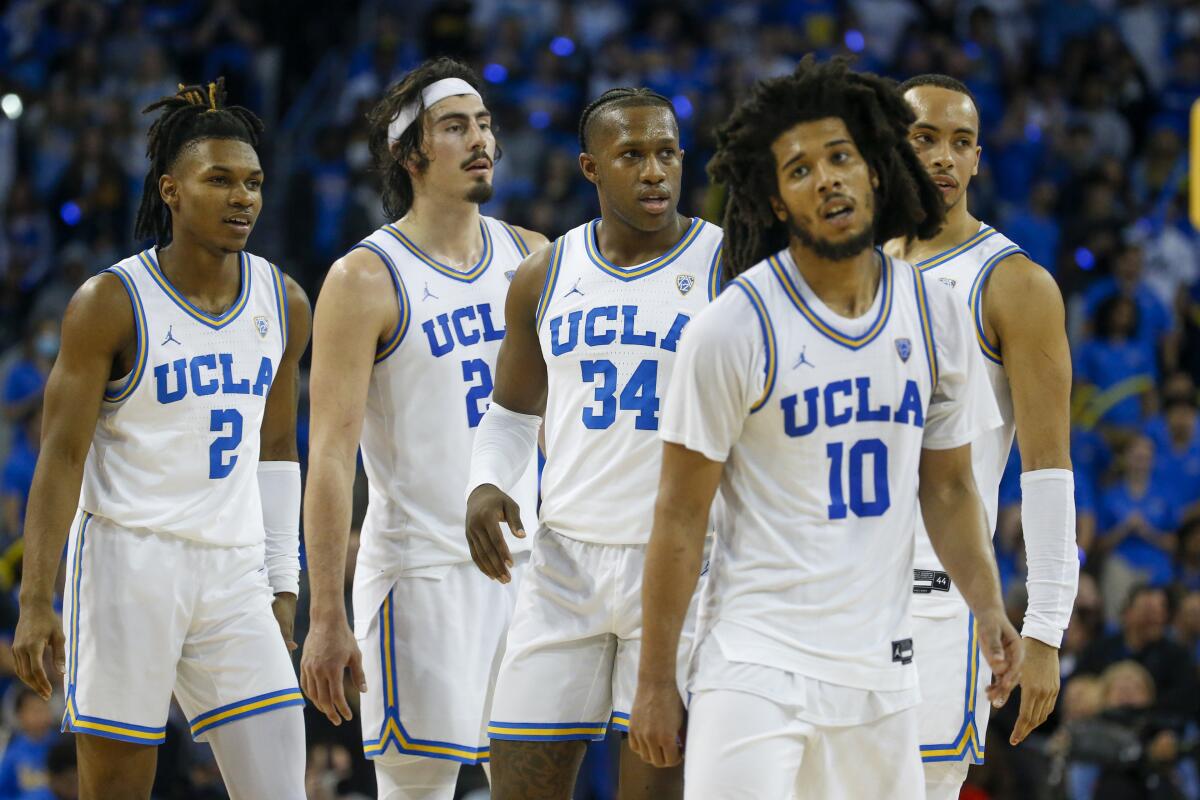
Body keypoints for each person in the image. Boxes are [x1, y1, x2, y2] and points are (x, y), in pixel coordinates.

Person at [628, 56, 1021, 800]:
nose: (829, 179)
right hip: (755, 669)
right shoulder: (732, 329)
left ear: (875, 170)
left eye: (841, 157)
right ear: (776, 202)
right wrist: (654, 682)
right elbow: (678, 516)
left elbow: (948, 489)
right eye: (800, 169)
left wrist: (989, 603)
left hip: (882, 677)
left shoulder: (935, 316)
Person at [11, 80, 310, 799]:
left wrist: (283, 580)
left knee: (280, 788)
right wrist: (36, 598)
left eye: (254, 183)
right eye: (220, 180)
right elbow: (61, 457)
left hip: (234, 572)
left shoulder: (285, 300)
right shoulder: (109, 303)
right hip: (126, 564)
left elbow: (277, 447)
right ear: (171, 190)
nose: (244, 197)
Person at [463, 87, 724, 799]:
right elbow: (512, 412)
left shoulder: (728, 267)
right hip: (562, 564)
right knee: (514, 782)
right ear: (589, 167)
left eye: (667, 152)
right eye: (632, 155)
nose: (654, 172)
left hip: (680, 569)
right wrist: (488, 482)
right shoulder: (545, 274)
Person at [299, 58, 545, 800]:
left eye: (485, 123)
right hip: (421, 576)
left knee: (535, 785)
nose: (481, 139)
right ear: (411, 154)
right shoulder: (364, 278)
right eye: (455, 126)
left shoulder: (533, 255)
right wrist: (326, 613)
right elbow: (332, 458)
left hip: (529, 575)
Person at [884, 73, 1079, 799]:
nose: (943, 158)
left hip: (936, 603)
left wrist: (1046, 631)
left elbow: (1049, 469)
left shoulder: (1014, 283)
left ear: (977, 161)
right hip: (828, 597)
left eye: (961, 143)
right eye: (924, 139)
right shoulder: (844, 270)